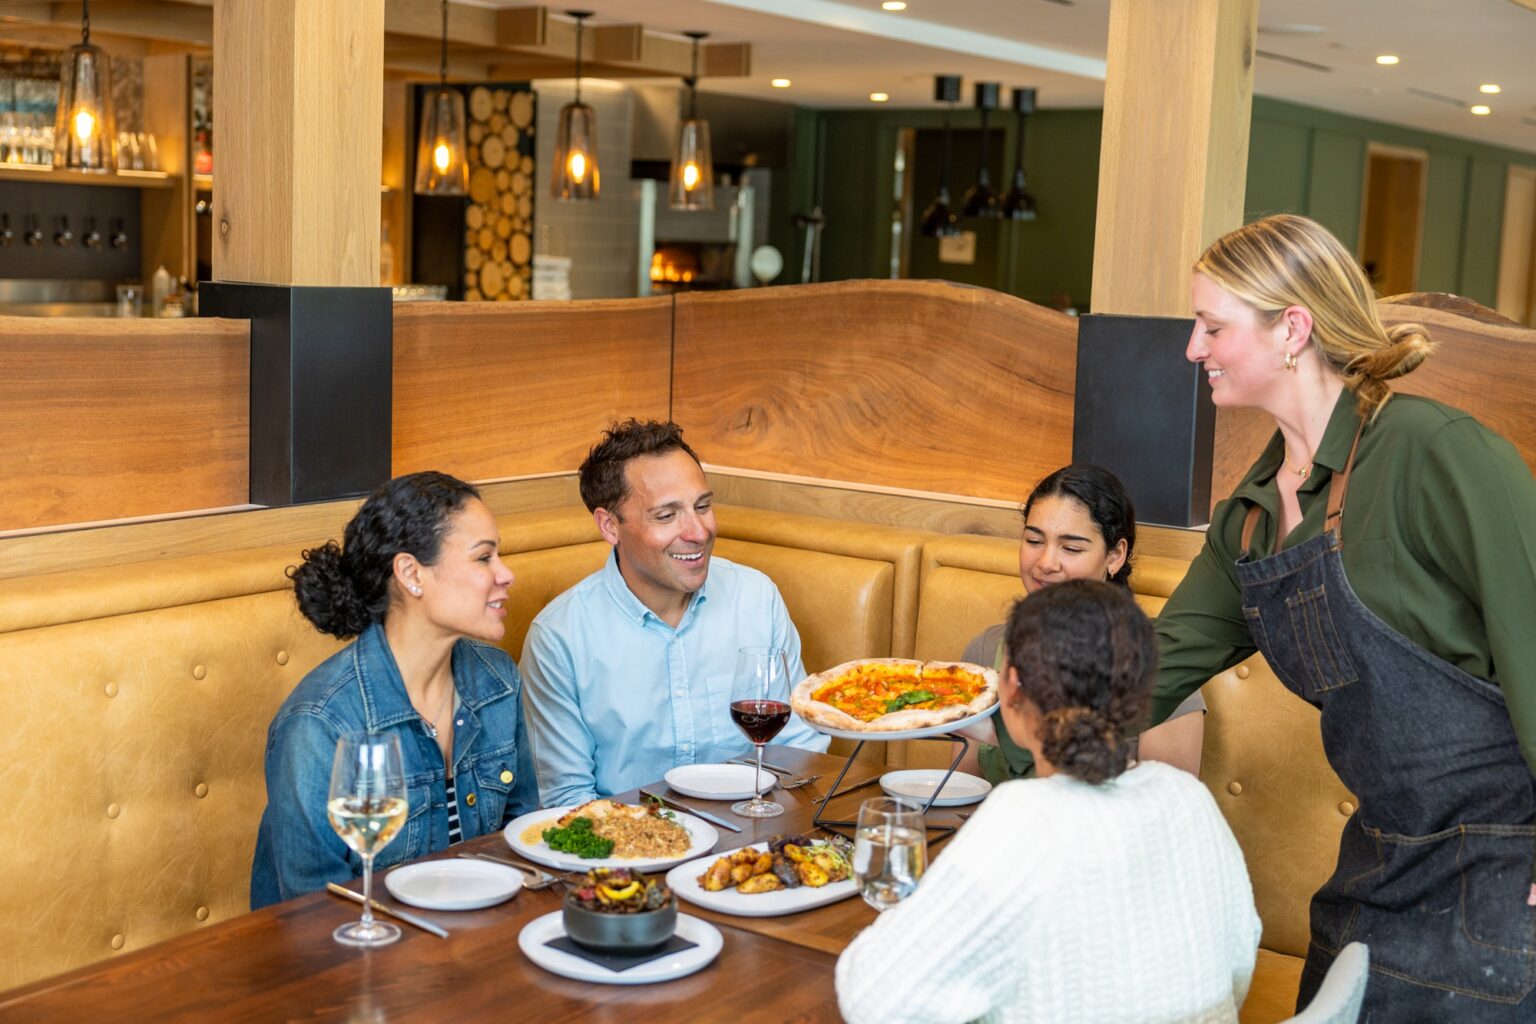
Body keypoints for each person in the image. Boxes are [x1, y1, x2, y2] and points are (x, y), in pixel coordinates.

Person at [1156, 213, 1536, 1019]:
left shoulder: (1440, 452)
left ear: (1292, 328)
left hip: (1510, 877)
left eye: (1212, 326)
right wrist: (1005, 725)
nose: (1193, 348)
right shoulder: (1251, 516)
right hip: (1375, 867)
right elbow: (1152, 667)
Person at [837, 581, 1260, 1024]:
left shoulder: (1022, 820)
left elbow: (873, 999)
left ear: (1011, 687)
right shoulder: (1186, 798)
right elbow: (1237, 964)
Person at [250, 472, 539, 909]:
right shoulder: (321, 721)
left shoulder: (497, 681)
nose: (506, 574)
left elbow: (523, 845)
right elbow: (312, 913)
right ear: (411, 573)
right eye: (484, 558)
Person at [520, 419, 828, 807]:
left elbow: (798, 750)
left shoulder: (755, 596)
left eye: (702, 506)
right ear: (610, 525)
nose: (698, 532)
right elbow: (567, 799)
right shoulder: (560, 635)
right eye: (667, 516)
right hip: (626, 853)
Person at [958, 465, 1205, 782]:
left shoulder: (1162, 665)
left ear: (1115, 556)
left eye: (1071, 548)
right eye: (1034, 541)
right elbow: (962, 792)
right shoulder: (986, 650)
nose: (1046, 563)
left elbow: (1166, 815)